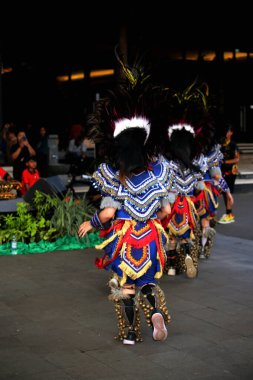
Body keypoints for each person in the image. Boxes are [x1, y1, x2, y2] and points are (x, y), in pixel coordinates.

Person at [78, 54, 172, 345]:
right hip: (149, 237)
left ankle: (131, 334)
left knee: (125, 287)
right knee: (146, 282)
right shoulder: (157, 174)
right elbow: (167, 208)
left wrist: (89, 224)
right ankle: (155, 313)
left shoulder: (112, 176)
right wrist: (155, 220)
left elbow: (106, 215)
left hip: (124, 237)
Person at [218, 124, 240, 224]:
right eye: (226, 131)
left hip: (231, 171)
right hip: (222, 171)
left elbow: (237, 159)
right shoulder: (221, 144)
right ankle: (228, 213)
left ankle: (229, 214)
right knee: (224, 193)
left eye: (228, 131)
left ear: (231, 133)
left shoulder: (233, 144)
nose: (227, 133)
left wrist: (225, 162)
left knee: (228, 193)